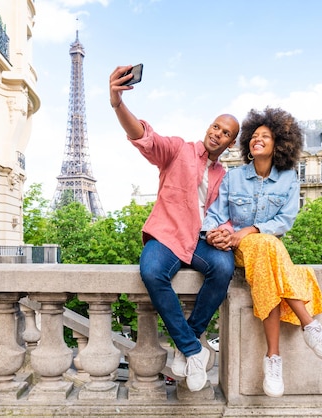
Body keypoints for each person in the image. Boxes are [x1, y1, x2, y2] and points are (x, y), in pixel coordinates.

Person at [109, 65, 240, 392]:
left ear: (231, 143)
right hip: (167, 236)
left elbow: (226, 217)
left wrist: (225, 234)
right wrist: (117, 103)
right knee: (152, 271)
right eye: (215, 126)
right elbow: (143, 136)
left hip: (199, 241)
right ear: (208, 127)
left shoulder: (225, 177)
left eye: (225, 133)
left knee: (223, 267)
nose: (217, 134)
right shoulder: (179, 150)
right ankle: (194, 349)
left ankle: (187, 342)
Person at [201, 107, 322, 398]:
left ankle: (273, 359)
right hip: (238, 249)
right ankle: (310, 326)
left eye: (265, 136)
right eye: (253, 136)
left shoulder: (289, 179)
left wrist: (249, 230)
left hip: (264, 247)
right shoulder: (233, 177)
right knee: (267, 247)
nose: (257, 139)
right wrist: (214, 234)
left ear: (279, 144)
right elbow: (215, 214)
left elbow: (284, 221)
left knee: (267, 248)